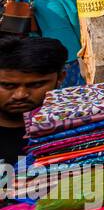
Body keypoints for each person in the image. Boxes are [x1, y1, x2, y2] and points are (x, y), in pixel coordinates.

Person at [0, 35, 69, 167]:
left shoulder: (75, 130)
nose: (20, 95)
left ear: (60, 78)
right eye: (8, 86)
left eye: (35, 85)